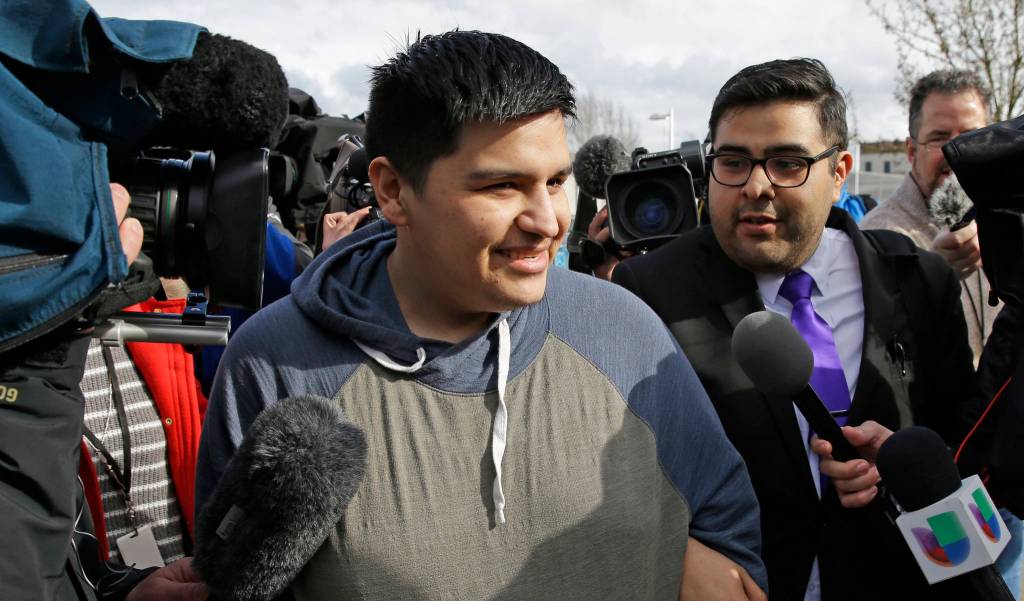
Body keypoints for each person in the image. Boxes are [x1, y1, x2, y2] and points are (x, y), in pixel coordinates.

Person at [197, 30, 766, 601]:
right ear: (393, 190)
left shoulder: (623, 330)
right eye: (502, 186)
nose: (547, 221)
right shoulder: (274, 366)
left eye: (556, 181)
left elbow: (729, 530)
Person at [608, 58, 979, 600]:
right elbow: (621, 473)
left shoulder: (921, 282)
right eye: (733, 162)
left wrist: (907, 469)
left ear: (839, 172)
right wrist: (680, 552)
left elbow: (965, 453)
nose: (756, 186)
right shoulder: (647, 291)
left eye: (787, 163)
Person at [860, 69, 1000, 366]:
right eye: (939, 139)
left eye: (972, 136)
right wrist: (926, 278)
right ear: (911, 151)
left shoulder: (1009, 221)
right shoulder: (874, 237)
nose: (957, 152)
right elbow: (873, 352)